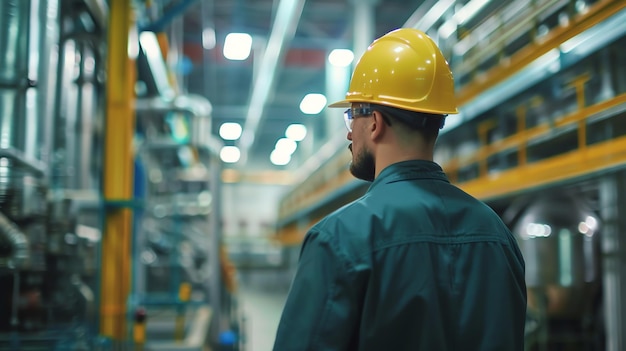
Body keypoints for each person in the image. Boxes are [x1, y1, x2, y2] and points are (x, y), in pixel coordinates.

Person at [273, 28, 527, 350]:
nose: (350, 135)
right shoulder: (498, 237)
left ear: (375, 122)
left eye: (352, 118)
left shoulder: (338, 239)